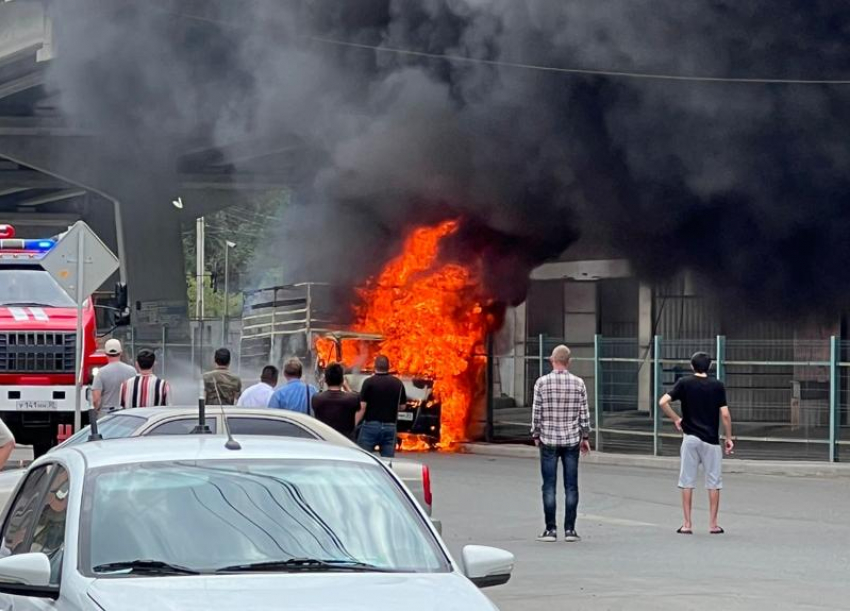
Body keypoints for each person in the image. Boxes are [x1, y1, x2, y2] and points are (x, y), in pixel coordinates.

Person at [659, 351, 734, 535]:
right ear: (709, 367)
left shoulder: (684, 383)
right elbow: (724, 414)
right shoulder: (717, 386)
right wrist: (729, 437)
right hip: (711, 440)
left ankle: (687, 524)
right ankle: (713, 524)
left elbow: (663, 402)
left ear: (692, 366)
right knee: (714, 482)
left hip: (690, 437)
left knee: (687, 481)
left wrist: (677, 419)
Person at [531, 345, 591, 543]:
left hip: (548, 440)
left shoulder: (541, 383)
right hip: (571, 440)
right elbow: (584, 414)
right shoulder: (579, 383)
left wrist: (536, 434)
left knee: (549, 486)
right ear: (569, 361)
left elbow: (536, 413)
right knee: (571, 486)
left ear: (551, 359)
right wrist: (585, 437)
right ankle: (570, 530)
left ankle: (550, 530)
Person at [357, 355, 406, 458]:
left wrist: (354, 423)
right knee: (388, 461)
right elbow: (402, 406)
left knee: (364, 459)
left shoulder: (368, 382)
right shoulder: (398, 383)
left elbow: (362, 407)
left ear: (375, 366)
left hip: (370, 426)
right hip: (390, 427)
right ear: (389, 366)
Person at [312, 362, 364, 439]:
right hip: (346, 441)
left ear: (326, 380)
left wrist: (321, 386)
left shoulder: (316, 398)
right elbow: (359, 402)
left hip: (325, 439)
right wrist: (347, 387)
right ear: (342, 380)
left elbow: (319, 395)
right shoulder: (352, 399)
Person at [91, 339, 136, 417]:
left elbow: (96, 399)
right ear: (121, 353)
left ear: (106, 353)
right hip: (127, 413)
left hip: (106, 414)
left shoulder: (100, 372)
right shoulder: (132, 371)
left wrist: (97, 410)